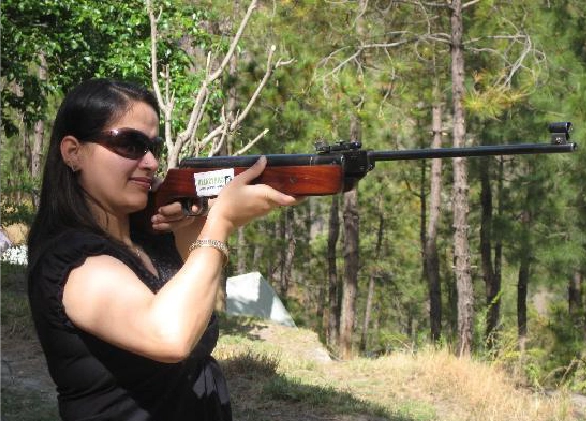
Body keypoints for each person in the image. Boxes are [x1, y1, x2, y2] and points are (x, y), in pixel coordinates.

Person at [27, 78, 300, 421]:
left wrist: (192, 225)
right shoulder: (73, 262)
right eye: (130, 144)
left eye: (152, 148)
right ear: (73, 152)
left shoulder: (148, 238)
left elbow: (198, 307)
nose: (151, 162)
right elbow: (170, 336)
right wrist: (221, 222)